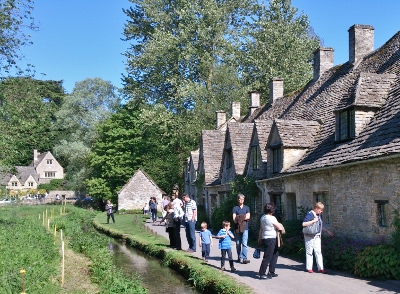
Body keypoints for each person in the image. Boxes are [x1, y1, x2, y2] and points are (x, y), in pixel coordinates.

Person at [302, 202, 334, 274]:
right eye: (320, 210)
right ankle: (309, 268)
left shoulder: (318, 215)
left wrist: (326, 231)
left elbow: (319, 225)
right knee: (309, 252)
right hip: (309, 236)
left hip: (317, 236)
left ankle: (321, 268)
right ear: (316, 208)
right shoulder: (310, 214)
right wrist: (313, 220)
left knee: (318, 252)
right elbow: (303, 224)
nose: (321, 212)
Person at [257, 203, 285, 279]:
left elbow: (261, 229)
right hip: (271, 238)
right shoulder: (272, 218)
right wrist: (280, 225)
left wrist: (259, 238)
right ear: (272, 210)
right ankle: (262, 273)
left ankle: (271, 271)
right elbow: (279, 228)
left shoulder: (262, 217)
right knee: (268, 256)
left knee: (275, 254)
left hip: (265, 237)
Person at [232, 193, 250, 264]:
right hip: (237, 228)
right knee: (238, 243)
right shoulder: (235, 208)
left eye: (242, 199)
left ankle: (245, 258)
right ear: (238, 199)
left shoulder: (246, 208)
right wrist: (243, 217)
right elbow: (234, 218)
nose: (241, 200)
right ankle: (239, 257)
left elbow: (248, 216)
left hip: (245, 228)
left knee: (244, 243)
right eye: (240, 199)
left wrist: (239, 217)